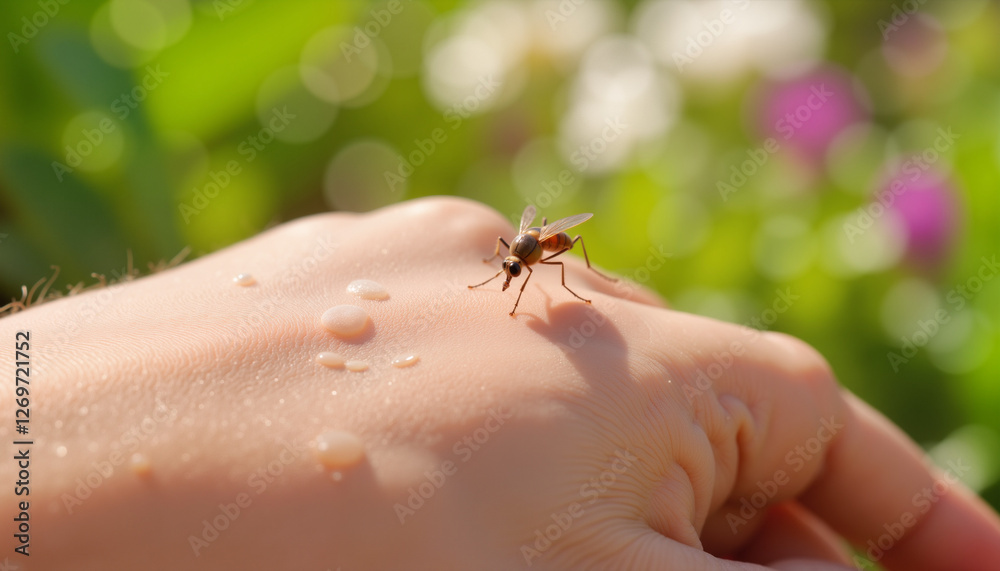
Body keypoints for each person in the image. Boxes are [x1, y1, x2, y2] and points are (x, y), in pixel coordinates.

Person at [3, 196, 998, 570]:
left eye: (518, 262)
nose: (520, 266)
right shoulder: (519, 257)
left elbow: (546, 251)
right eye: (518, 262)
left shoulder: (542, 259)